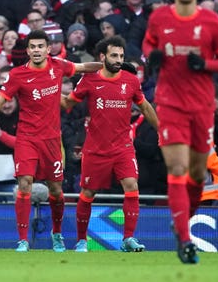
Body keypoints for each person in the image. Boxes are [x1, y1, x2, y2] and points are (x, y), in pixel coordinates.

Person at [143, 0, 218, 264]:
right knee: (178, 169)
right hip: (170, 104)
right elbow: (148, 45)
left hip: (202, 106)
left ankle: (182, 218)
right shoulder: (159, 18)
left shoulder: (212, 22)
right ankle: (184, 240)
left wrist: (204, 64)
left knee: (196, 174)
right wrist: (152, 57)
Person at [0, 30, 102, 252]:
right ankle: (22, 240)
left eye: (41, 46)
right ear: (28, 50)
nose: (37, 50)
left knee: (56, 190)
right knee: (24, 183)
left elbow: (82, 68)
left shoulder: (58, 66)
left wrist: (109, 66)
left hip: (51, 140)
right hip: (27, 139)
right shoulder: (18, 75)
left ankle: (56, 233)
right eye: (33, 47)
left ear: (48, 49)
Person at [62, 36, 158, 253]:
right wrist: (47, 91)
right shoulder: (89, 80)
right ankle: (81, 241)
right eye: (114, 55)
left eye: (121, 56)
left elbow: (146, 108)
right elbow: (68, 103)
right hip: (96, 149)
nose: (119, 60)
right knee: (87, 193)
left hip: (123, 147)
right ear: (102, 57)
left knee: (132, 186)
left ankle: (128, 239)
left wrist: (162, 130)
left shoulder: (131, 81)